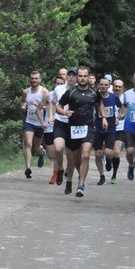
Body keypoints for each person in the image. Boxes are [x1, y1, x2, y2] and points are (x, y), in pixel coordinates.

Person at [56, 66, 107, 197]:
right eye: (81, 76)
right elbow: (59, 107)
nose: (83, 78)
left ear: (88, 77)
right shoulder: (71, 92)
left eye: (85, 76)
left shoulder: (94, 92)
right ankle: (74, 179)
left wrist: (104, 118)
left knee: (85, 155)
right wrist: (65, 112)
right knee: (75, 158)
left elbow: (100, 103)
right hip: (73, 128)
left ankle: (81, 185)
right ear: (77, 77)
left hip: (88, 127)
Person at [50, 67, 77, 188]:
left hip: (73, 124)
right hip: (60, 121)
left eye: (73, 75)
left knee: (71, 156)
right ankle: (60, 169)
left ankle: (69, 181)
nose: (71, 77)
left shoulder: (80, 90)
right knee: (58, 148)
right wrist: (51, 115)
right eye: (69, 75)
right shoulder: (58, 89)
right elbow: (52, 102)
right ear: (66, 76)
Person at [93, 76, 122, 185]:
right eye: (102, 84)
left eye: (106, 84)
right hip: (98, 129)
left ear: (109, 86)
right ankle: (102, 176)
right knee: (97, 154)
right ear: (98, 85)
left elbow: (122, 107)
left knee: (108, 153)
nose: (104, 86)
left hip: (110, 129)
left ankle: (109, 160)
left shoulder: (114, 97)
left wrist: (119, 117)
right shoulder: (94, 97)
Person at [20, 70, 49, 179]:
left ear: (40, 79)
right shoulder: (26, 92)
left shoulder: (44, 92)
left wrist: (39, 106)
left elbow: (51, 107)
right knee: (28, 143)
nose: (34, 80)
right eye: (32, 78)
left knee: (37, 147)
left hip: (40, 123)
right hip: (29, 121)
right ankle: (28, 168)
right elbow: (22, 101)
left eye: (36, 78)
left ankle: (42, 153)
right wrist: (23, 106)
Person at [44, 75, 64, 184]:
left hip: (61, 125)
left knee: (58, 149)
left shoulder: (67, 94)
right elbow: (39, 108)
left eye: (61, 83)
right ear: (54, 84)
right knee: (51, 155)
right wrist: (43, 121)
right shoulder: (49, 95)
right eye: (57, 83)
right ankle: (60, 166)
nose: (59, 85)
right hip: (49, 126)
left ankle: (55, 174)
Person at [110, 79, 126, 183]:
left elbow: (126, 111)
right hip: (108, 128)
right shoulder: (108, 96)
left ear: (122, 88)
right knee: (106, 152)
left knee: (116, 151)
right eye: (116, 86)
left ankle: (114, 174)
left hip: (121, 128)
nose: (117, 88)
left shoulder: (125, 98)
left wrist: (122, 116)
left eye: (119, 87)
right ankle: (107, 160)